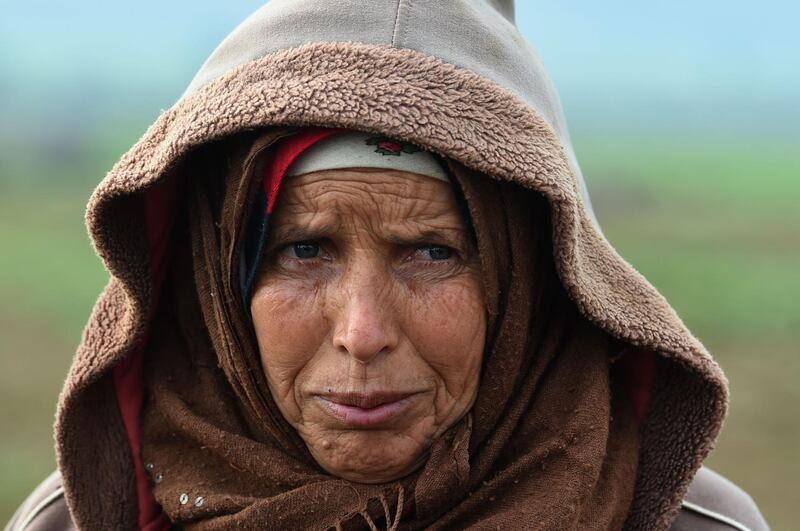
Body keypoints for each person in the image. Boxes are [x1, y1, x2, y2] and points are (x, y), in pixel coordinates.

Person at [5, 2, 769, 530]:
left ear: (529, 281)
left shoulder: (686, 522)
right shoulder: (84, 518)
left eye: (432, 252)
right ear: (219, 283)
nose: (363, 332)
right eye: (303, 249)